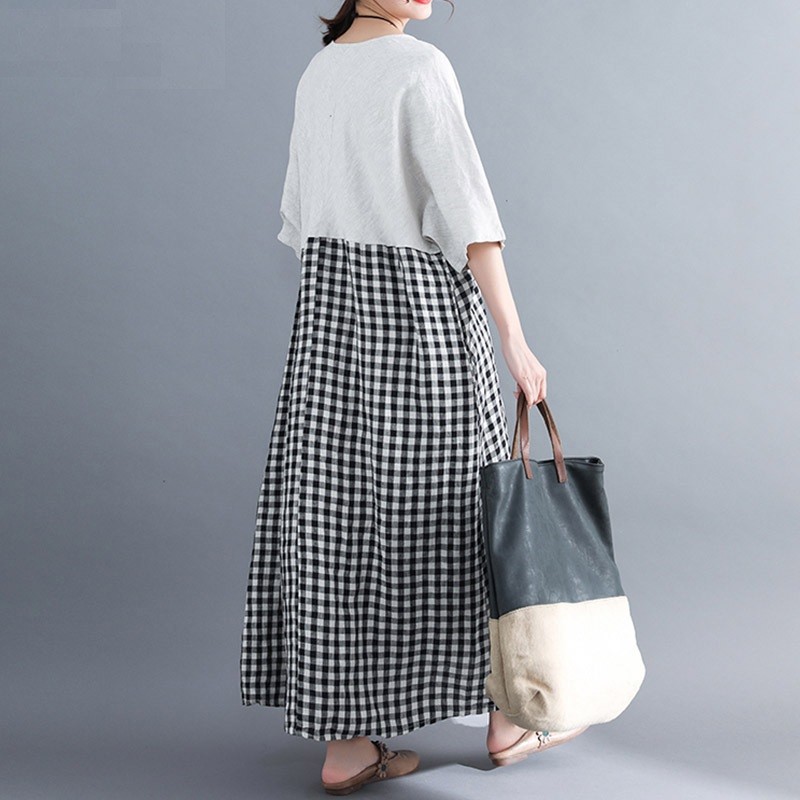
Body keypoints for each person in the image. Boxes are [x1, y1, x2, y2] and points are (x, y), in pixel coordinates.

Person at [239, 1, 586, 793]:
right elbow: (470, 217)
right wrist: (515, 339)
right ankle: (509, 717)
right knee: (470, 505)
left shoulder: (319, 73)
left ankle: (346, 745)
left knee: (333, 517)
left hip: (329, 325)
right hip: (417, 318)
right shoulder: (419, 67)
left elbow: (302, 218)